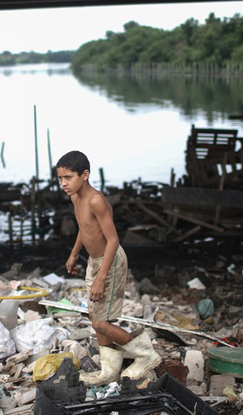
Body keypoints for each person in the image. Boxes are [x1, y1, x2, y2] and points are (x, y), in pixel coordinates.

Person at [56, 150, 161, 386]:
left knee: (100, 323)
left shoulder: (96, 200)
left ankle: (146, 355)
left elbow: (113, 240)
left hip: (110, 261)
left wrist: (101, 277)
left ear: (85, 175)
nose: (63, 183)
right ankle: (109, 372)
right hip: (93, 261)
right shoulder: (76, 198)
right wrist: (74, 254)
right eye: (60, 178)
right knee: (96, 316)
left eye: (68, 177)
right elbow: (84, 229)